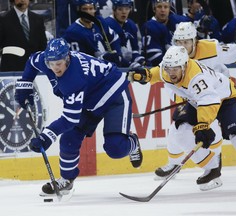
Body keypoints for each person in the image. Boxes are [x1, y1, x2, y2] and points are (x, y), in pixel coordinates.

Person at [129, 44, 236, 190]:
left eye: (175, 69)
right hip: (199, 101)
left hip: (225, 100)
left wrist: (203, 125)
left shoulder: (196, 77)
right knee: (180, 132)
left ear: (184, 66)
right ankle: (212, 168)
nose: (171, 73)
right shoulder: (167, 70)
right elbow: (159, 73)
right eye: (169, 69)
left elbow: (209, 101)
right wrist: (146, 75)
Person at [14, 38, 143, 196]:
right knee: (69, 138)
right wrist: (25, 85)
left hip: (113, 95)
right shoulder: (46, 59)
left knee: (115, 148)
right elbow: (32, 61)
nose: (55, 68)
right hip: (88, 98)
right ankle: (67, 180)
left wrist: (46, 136)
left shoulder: (74, 79)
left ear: (67, 58)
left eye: (59, 63)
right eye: (51, 64)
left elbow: (70, 119)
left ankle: (133, 142)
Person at [62, 0, 123, 66]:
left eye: (91, 8)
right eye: (85, 9)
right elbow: (80, 61)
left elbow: (114, 38)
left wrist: (118, 55)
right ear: (79, 10)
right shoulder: (73, 32)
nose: (88, 12)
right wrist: (102, 58)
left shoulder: (99, 21)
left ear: (95, 10)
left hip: (106, 65)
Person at [0, 0, 47, 72]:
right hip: (11, 71)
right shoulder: (3, 19)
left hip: (34, 70)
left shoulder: (38, 19)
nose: (23, 0)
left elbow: (43, 46)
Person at [140, 0, 190, 66]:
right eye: (159, 7)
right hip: (159, 67)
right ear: (154, 9)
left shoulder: (176, 21)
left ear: (170, 9)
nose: (163, 10)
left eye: (166, 7)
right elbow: (154, 57)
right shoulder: (150, 26)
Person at [105, 0, 147, 68]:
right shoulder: (107, 24)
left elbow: (135, 51)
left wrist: (141, 61)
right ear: (114, 10)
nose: (124, 12)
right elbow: (113, 55)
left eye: (127, 9)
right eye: (120, 9)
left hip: (124, 59)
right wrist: (130, 64)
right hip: (110, 62)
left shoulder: (131, 25)